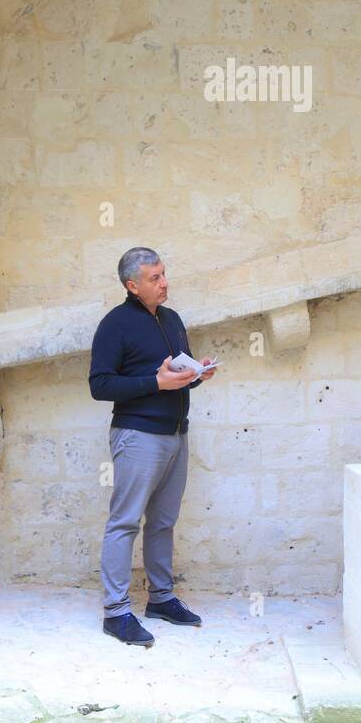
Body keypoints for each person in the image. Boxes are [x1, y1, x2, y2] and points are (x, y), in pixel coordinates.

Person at [89, 247, 217, 647]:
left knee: (163, 522)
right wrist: (154, 383)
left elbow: (177, 373)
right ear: (132, 285)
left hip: (176, 433)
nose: (164, 283)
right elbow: (100, 385)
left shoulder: (172, 319)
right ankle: (116, 613)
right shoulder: (115, 324)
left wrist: (198, 374)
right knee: (125, 522)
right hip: (138, 436)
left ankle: (161, 599)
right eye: (154, 278)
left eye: (164, 274)